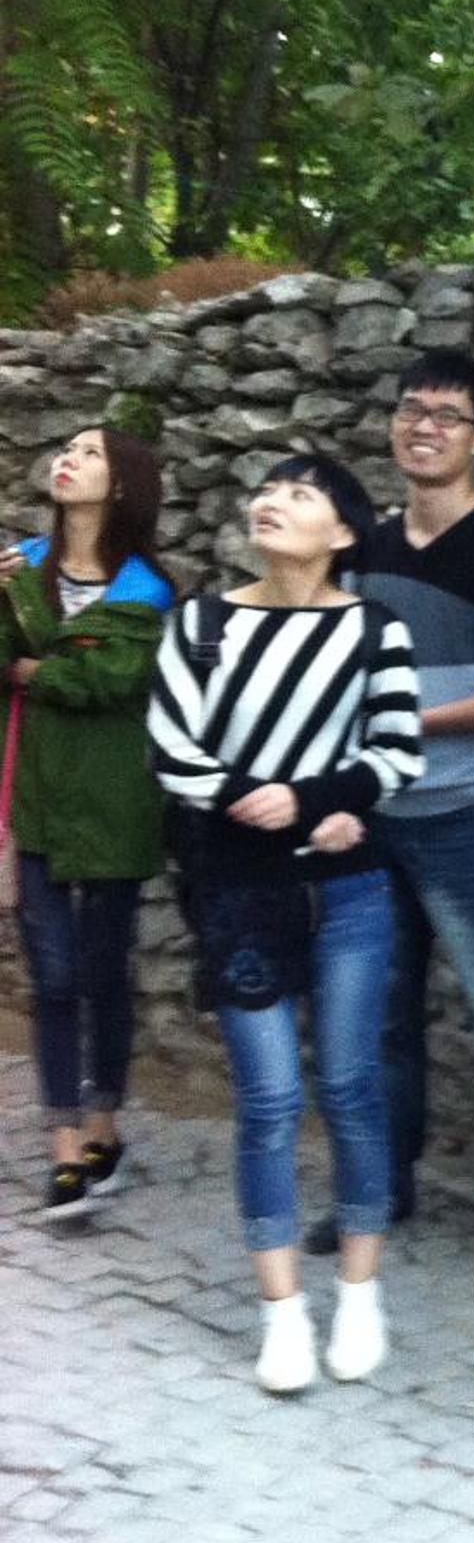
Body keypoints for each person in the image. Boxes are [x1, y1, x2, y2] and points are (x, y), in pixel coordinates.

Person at [148, 454, 422, 1393]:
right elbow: (172, 749)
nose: (270, 501)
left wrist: (312, 802)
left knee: (350, 1087)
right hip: (239, 888)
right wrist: (279, 807)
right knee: (267, 1102)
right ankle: (282, 1313)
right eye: (266, 488)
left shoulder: (375, 629)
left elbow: (397, 752)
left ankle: (360, 1294)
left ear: (342, 532)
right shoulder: (202, 623)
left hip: (347, 890)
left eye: (300, 493)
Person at [304, 349, 474, 1268]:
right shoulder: (365, 551)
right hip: (374, 819)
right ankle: (380, 1190)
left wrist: (410, 721)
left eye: (447, 415)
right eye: (411, 409)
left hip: (467, 819)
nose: (424, 427)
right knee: (381, 1022)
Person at [3, 427, 175, 1219]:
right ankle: (64, 1146)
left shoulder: (148, 588)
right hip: (33, 798)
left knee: (104, 971)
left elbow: (111, 676)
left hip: (113, 803)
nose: (68, 460)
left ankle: (105, 1125)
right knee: (54, 975)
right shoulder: (21, 567)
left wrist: (32, 663)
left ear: (123, 484)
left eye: (91, 453)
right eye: (67, 449)